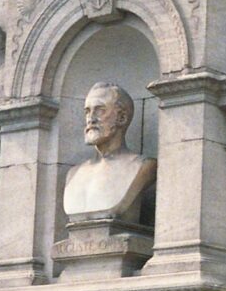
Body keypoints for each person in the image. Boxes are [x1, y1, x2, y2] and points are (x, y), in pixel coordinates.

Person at [62, 82, 156, 221]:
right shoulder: (73, 173)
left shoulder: (144, 166)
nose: (91, 119)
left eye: (100, 110)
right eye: (87, 111)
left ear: (122, 118)